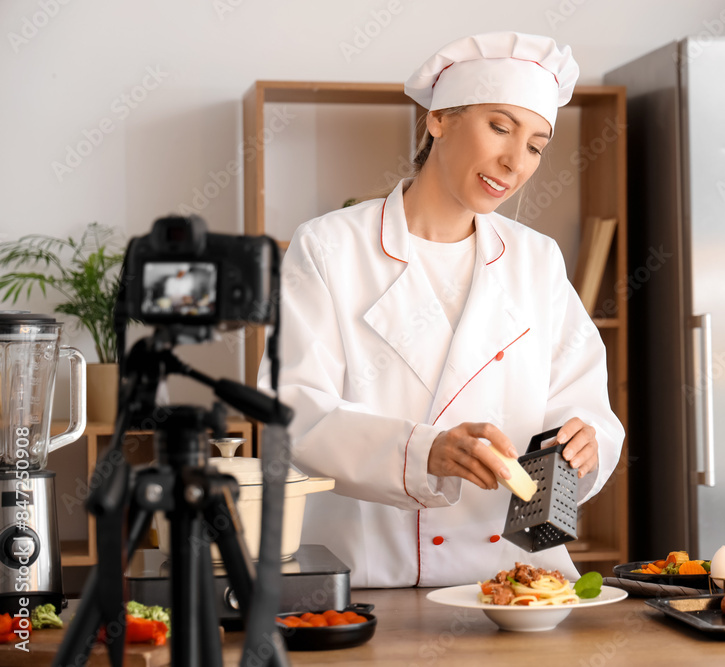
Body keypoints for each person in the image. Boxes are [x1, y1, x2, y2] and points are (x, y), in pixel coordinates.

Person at [260, 31, 625, 588]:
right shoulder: (329, 248)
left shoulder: (536, 259)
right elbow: (292, 414)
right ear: (439, 119)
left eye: (535, 145)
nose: (514, 161)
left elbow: (586, 408)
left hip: (513, 582)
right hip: (370, 580)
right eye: (499, 127)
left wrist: (586, 442)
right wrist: (424, 451)